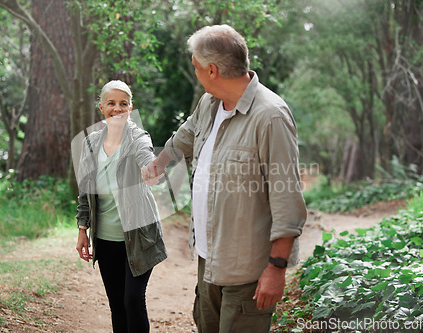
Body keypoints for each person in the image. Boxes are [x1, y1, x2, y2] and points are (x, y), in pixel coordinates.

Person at [141, 25, 307, 332]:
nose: (195, 73)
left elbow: (287, 201)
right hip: (210, 259)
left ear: (212, 70)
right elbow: (186, 136)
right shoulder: (210, 102)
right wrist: (159, 164)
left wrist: (277, 268)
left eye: (196, 67)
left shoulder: (271, 116)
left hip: (249, 272)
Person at [75, 80, 167, 333]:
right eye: (111, 104)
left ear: (130, 107)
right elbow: (85, 190)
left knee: (133, 300)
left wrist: (150, 168)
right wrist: (83, 229)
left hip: (138, 235)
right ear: (101, 107)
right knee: (116, 303)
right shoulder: (91, 143)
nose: (117, 109)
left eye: (123, 104)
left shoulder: (137, 136)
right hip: (105, 238)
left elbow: (145, 154)